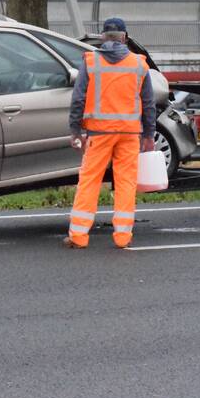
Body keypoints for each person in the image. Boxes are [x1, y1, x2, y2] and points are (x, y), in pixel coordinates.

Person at [65, 17, 155, 249]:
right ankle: (123, 236)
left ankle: (79, 236)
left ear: (103, 37)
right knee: (126, 182)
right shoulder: (138, 64)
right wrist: (148, 134)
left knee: (90, 181)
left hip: (99, 133)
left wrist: (75, 129)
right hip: (129, 134)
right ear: (125, 38)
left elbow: (79, 98)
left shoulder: (92, 61)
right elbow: (148, 103)